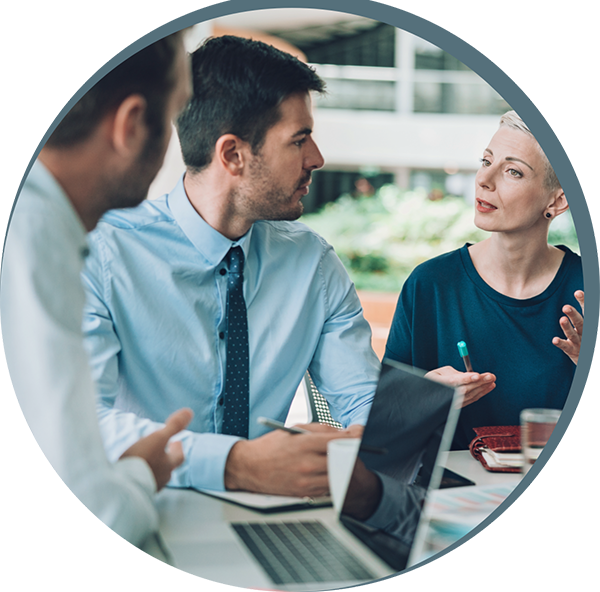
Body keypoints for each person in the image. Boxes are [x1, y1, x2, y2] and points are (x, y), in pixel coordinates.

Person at [80, 36, 380, 497]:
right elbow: (82, 422)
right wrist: (232, 465)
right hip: (151, 515)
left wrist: (392, 419)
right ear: (233, 155)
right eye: (299, 140)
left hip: (276, 520)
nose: (316, 159)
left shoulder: (313, 264)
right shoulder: (103, 254)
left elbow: (362, 400)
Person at [1, 32, 194, 549]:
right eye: (174, 117)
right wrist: (137, 477)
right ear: (131, 125)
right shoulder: (36, 235)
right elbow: (91, 513)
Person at [384, 110, 584, 449]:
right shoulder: (430, 285)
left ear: (558, 199)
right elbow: (384, 426)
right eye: (485, 161)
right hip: (452, 495)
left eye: (512, 171)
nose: (484, 179)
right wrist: (425, 396)